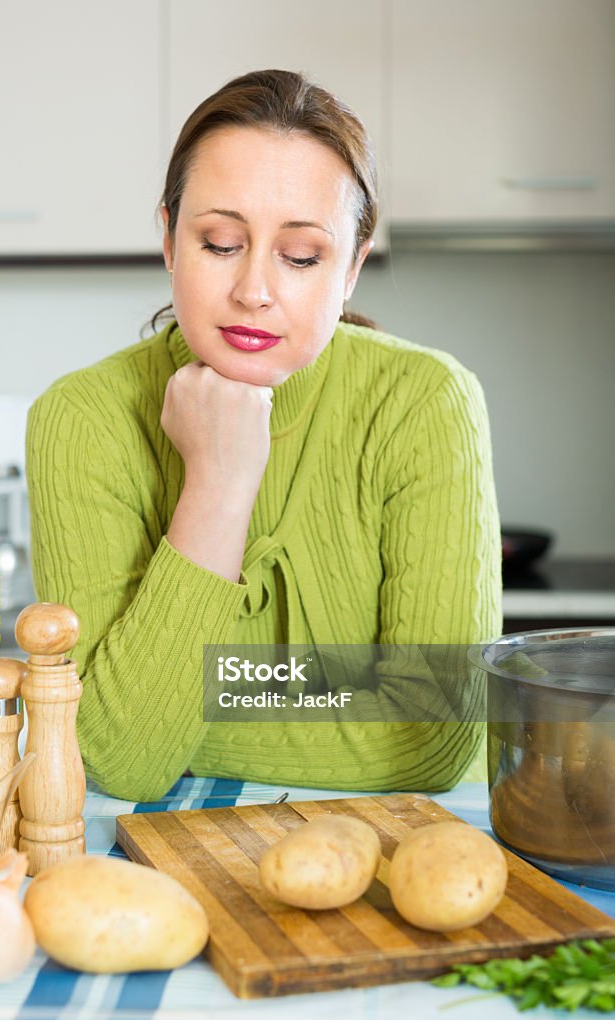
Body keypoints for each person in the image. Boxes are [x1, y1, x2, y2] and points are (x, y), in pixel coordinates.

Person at [26, 69, 502, 802]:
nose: (254, 289)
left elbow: (432, 733)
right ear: (168, 239)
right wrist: (218, 484)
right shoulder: (81, 418)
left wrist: (166, 711)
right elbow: (118, 759)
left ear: (350, 268)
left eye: (302, 256)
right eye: (220, 242)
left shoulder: (425, 401)